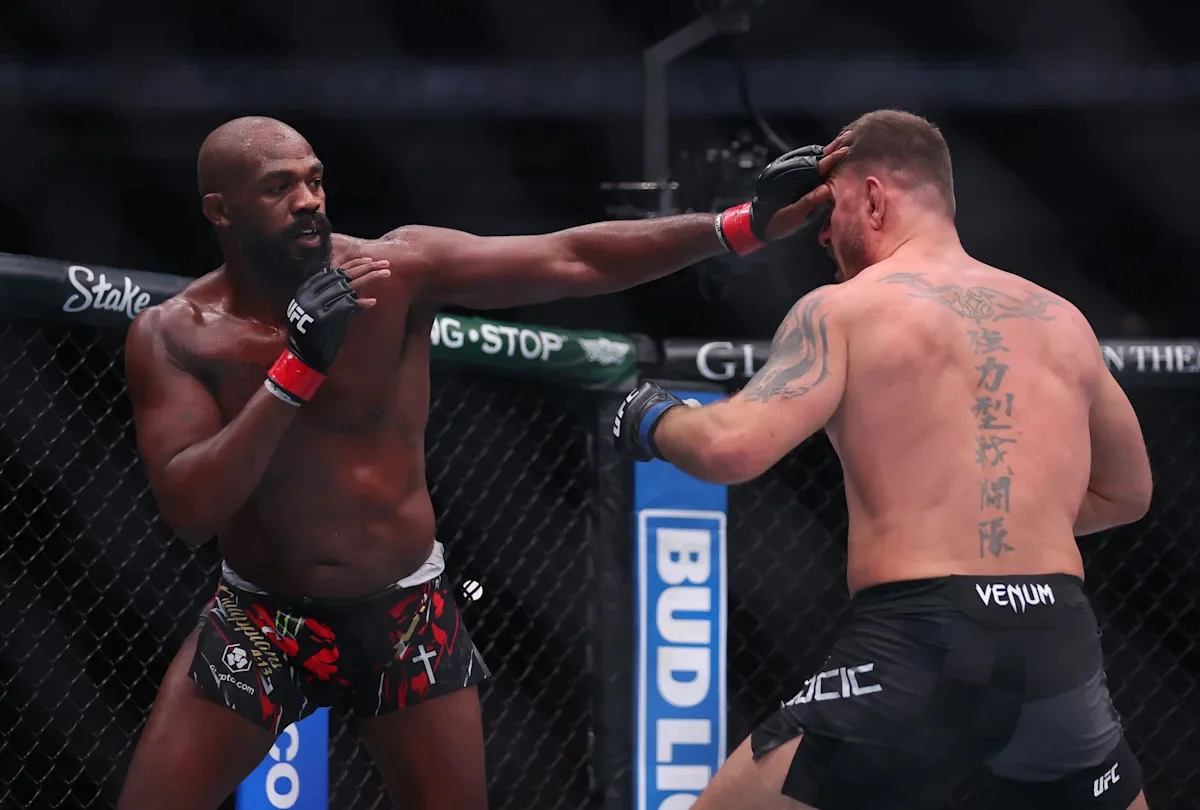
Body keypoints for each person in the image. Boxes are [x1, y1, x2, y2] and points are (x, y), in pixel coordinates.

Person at [116, 115, 846, 810]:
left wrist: (741, 226)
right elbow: (191, 511)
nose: (308, 200)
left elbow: (571, 258)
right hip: (260, 619)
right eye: (280, 187)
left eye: (315, 179)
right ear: (221, 210)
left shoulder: (393, 271)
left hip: (403, 613)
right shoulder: (176, 335)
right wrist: (296, 371)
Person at [612, 109, 1153, 810]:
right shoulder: (1061, 319)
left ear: (872, 198)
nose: (823, 235)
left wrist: (649, 416)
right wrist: (1014, 519)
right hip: (1058, 639)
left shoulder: (843, 310)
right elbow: (1127, 492)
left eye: (828, 210)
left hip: (923, 641)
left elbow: (729, 447)